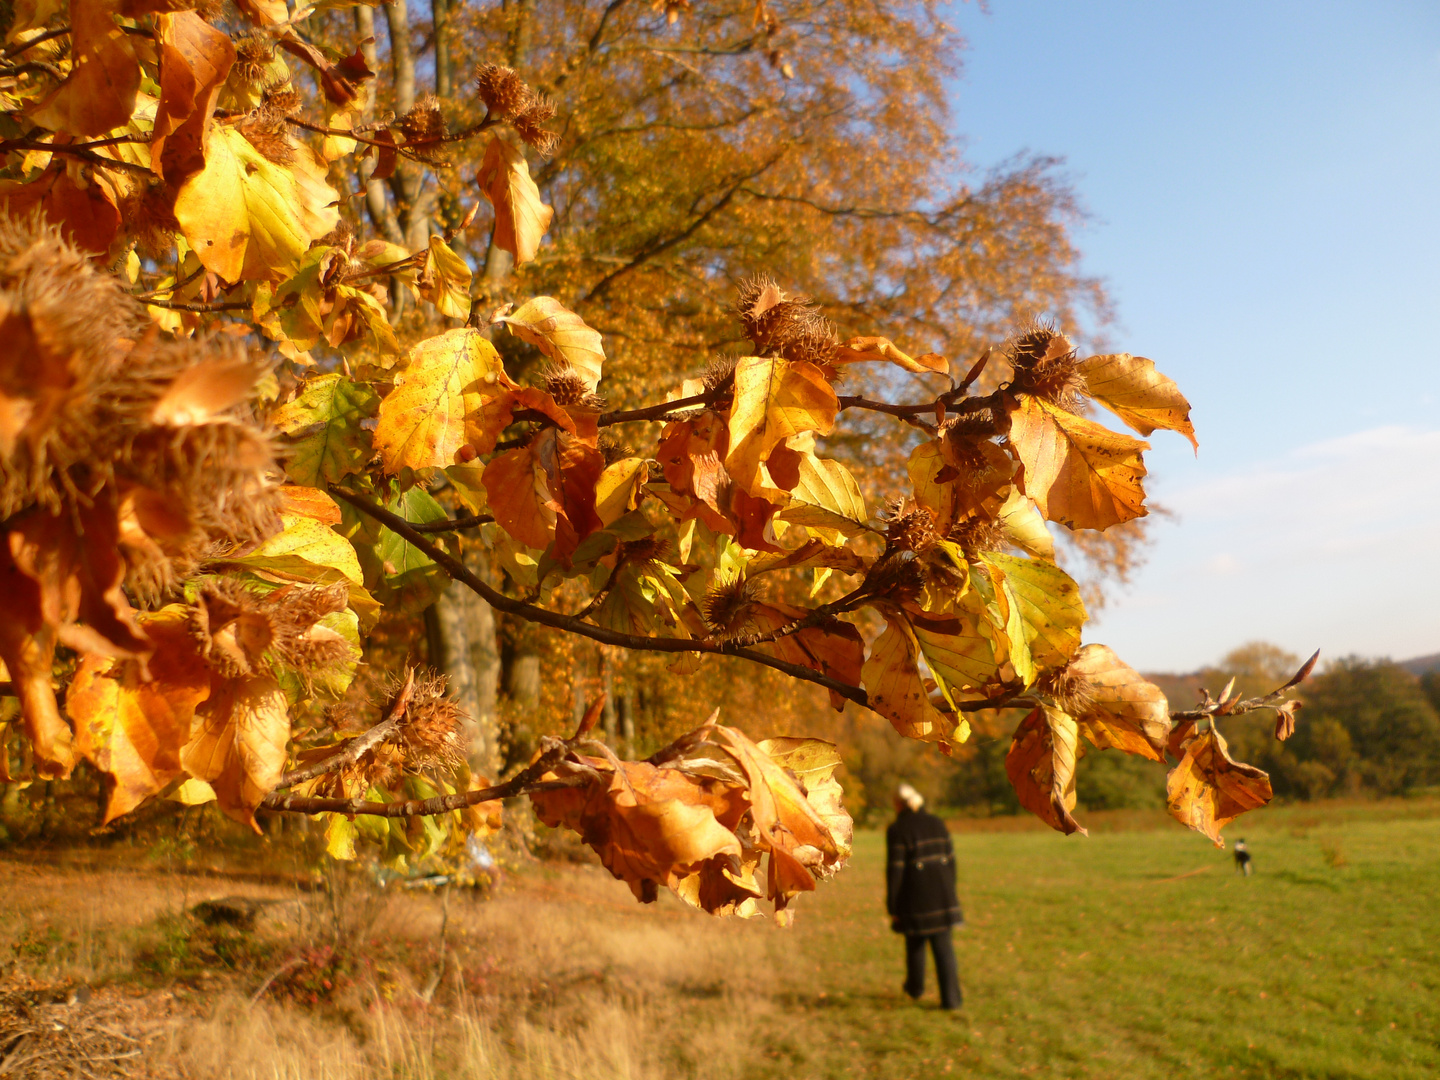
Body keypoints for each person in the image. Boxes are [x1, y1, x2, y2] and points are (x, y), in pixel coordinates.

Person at [886, 782, 964, 1010]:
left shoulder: (897, 829)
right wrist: (950, 890)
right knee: (944, 948)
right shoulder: (937, 823)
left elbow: (895, 870)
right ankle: (952, 1000)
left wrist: (893, 906)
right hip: (943, 895)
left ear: (899, 804)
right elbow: (951, 862)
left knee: (915, 943)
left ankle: (915, 988)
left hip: (914, 898)